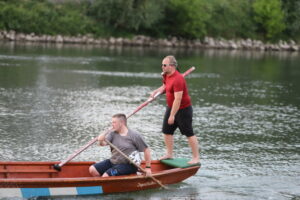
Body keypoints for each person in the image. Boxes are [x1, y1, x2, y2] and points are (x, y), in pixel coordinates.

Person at [151, 55, 200, 164]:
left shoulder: (178, 79)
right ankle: (169, 154)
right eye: (162, 65)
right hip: (170, 106)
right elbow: (165, 86)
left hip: (183, 109)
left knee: (188, 133)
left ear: (172, 66)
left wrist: (172, 115)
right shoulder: (166, 75)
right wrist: (156, 91)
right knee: (167, 131)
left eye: (164, 65)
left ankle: (196, 158)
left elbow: (178, 99)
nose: (162, 67)